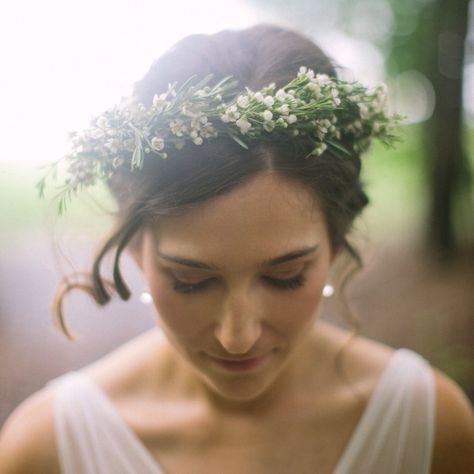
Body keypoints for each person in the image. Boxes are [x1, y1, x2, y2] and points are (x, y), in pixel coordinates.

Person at [0, 24, 473, 474]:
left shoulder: (431, 425)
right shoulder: (45, 450)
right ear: (136, 250)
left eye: (286, 275)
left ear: (336, 240)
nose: (238, 338)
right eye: (190, 280)